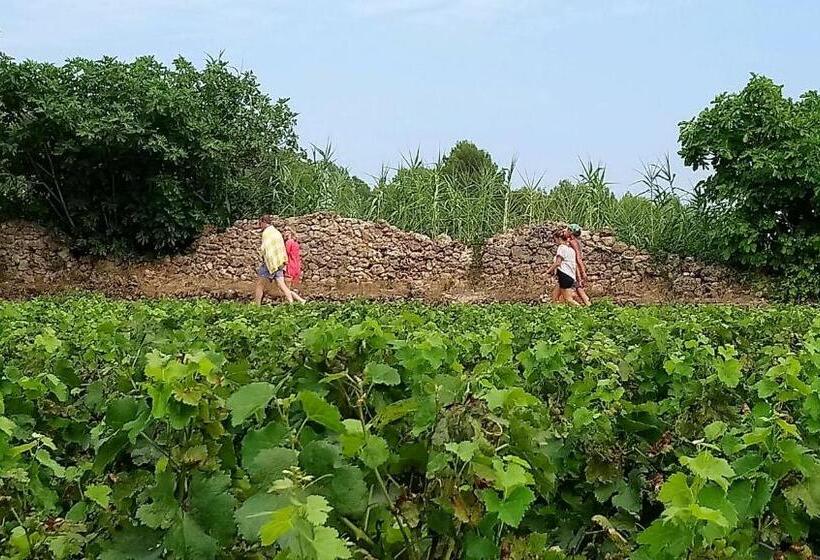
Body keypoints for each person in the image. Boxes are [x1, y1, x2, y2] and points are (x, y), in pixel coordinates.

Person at [254, 216, 299, 305]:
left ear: (263, 222)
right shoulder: (276, 232)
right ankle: (291, 303)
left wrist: (262, 256)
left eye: (260, 223)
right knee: (282, 285)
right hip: (279, 262)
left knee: (260, 284)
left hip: (270, 263)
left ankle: (256, 306)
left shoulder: (266, 233)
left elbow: (265, 248)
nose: (260, 226)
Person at [546, 229, 581, 306]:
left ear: (558, 238)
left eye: (555, 239)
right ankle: (555, 312)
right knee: (554, 297)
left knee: (568, 299)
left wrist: (548, 271)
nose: (555, 242)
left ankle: (584, 312)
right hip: (569, 276)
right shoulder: (571, 250)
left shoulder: (561, 248)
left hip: (564, 276)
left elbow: (558, 263)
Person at [566, 223, 591, 306]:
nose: (566, 231)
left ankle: (586, 303)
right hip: (574, 267)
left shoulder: (573, 242)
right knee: (578, 287)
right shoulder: (574, 242)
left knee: (578, 286)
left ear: (571, 232)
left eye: (568, 229)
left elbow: (578, 258)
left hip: (575, 267)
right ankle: (587, 304)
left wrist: (582, 272)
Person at [283, 228, 306, 303]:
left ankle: (299, 301)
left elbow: (285, 254)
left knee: (286, 289)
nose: (284, 232)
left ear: (290, 232)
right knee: (287, 288)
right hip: (296, 266)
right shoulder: (295, 243)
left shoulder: (289, 242)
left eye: (286, 231)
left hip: (290, 266)